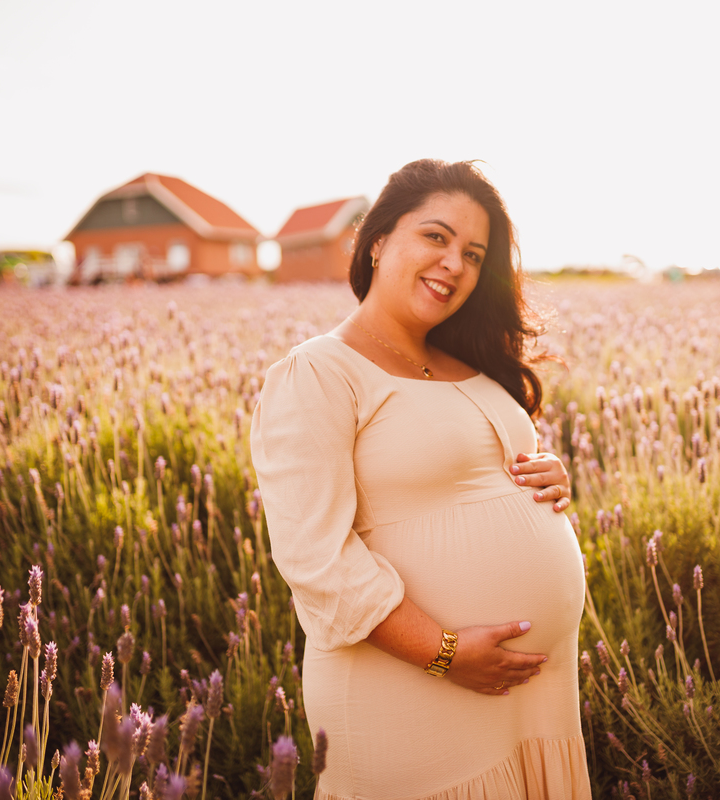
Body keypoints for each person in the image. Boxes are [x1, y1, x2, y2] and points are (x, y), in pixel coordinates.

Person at [251, 159, 591, 799]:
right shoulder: (319, 372)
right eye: (435, 237)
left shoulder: (463, 361)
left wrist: (547, 474)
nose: (454, 264)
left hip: (530, 696)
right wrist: (443, 651)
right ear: (379, 241)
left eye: (472, 252)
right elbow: (314, 557)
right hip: (408, 688)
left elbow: (472, 470)